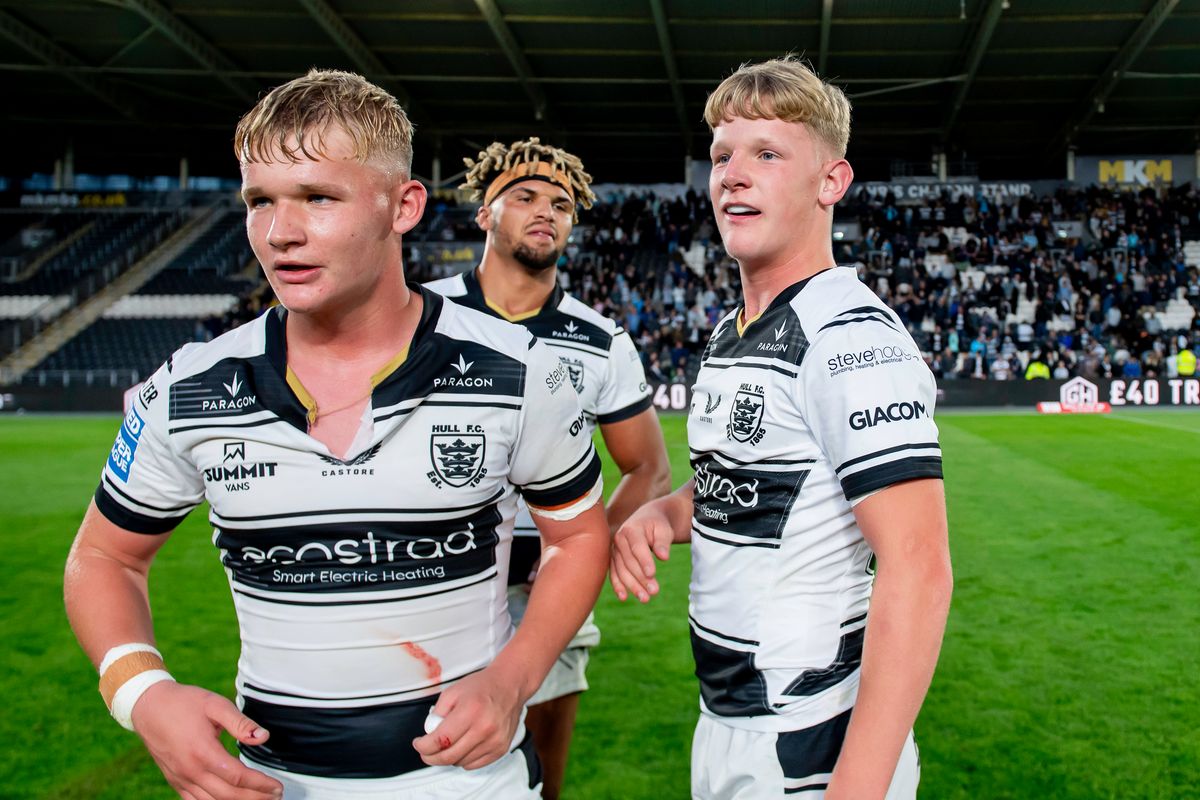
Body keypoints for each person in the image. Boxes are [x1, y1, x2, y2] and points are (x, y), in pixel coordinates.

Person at [63, 69, 611, 800]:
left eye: (318, 197)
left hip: (473, 783)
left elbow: (578, 536)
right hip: (270, 782)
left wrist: (514, 678)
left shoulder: (520, 370)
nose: (280, 233)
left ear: (403, 206)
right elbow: (104, 556)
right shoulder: (188, 387)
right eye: (260, 201)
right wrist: (141, 691)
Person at [610, 57, 953, 799]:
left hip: (811, 741)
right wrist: (665, 514)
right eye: (722, 156)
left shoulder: (850, 337)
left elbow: (919, 568)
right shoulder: (732, 331)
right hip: (728, 721)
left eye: (767, 154)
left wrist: (856, 787)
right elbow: (748, 489)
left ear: (831, 182)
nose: (733, 176)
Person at [426, 137, 671, 799]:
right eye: (525, 196)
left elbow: (648, 468)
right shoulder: (418, 315)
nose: (546, 211)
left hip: (543, 596)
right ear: (485, 213)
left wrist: (578, 559)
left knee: (536, 784)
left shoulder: (600, 340)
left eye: (561, 204)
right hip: (429, 585)